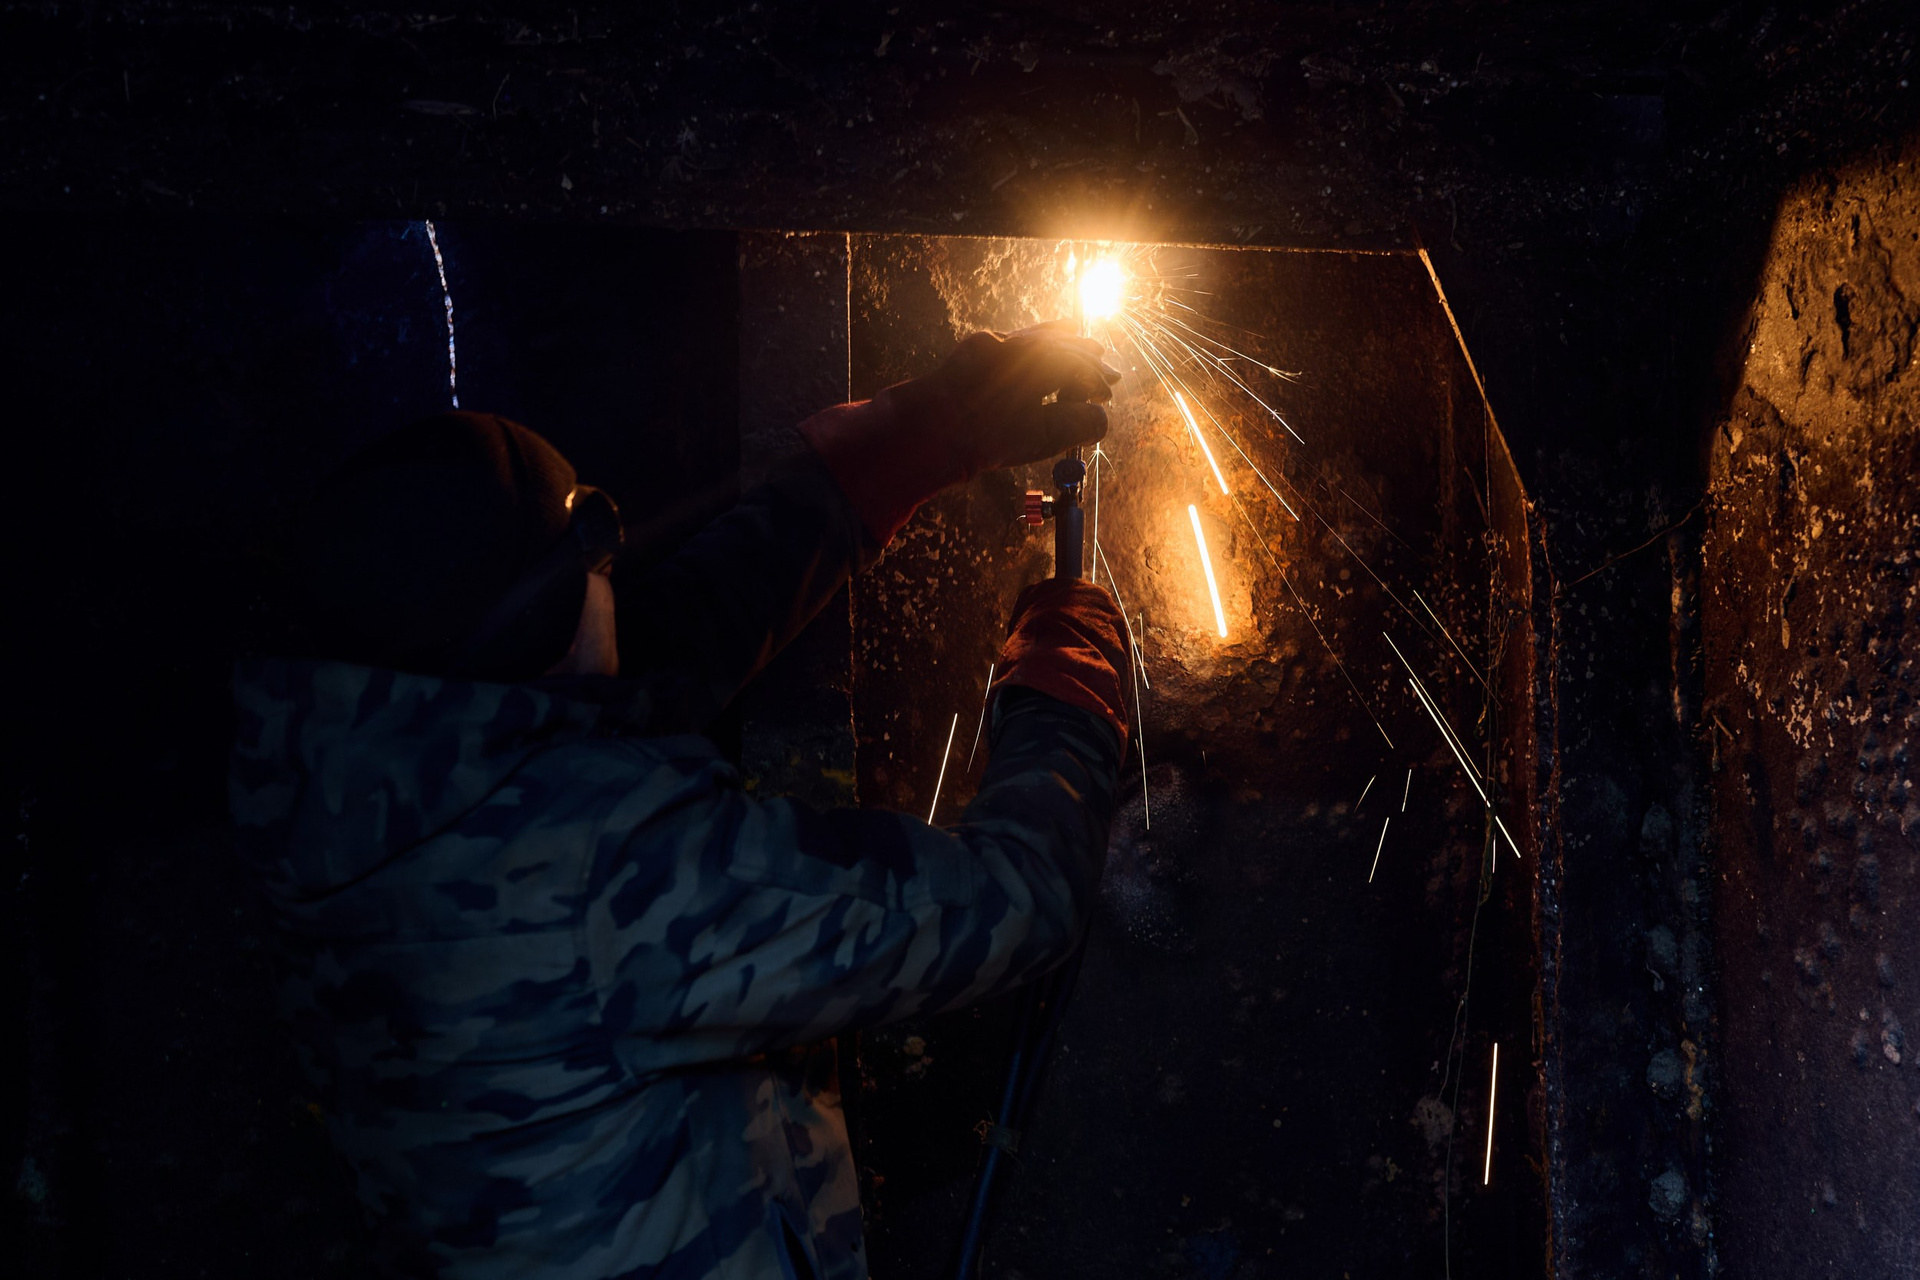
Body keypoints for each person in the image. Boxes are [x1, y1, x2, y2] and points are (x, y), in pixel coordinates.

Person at [230, 321, 1133, 1279]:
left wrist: (915, 439)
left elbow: (669, 655)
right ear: (537, 618)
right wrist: (1063, 686)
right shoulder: (607, 881)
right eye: (596, 570)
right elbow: (1013, 901)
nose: (617, 586)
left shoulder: (367, 798)